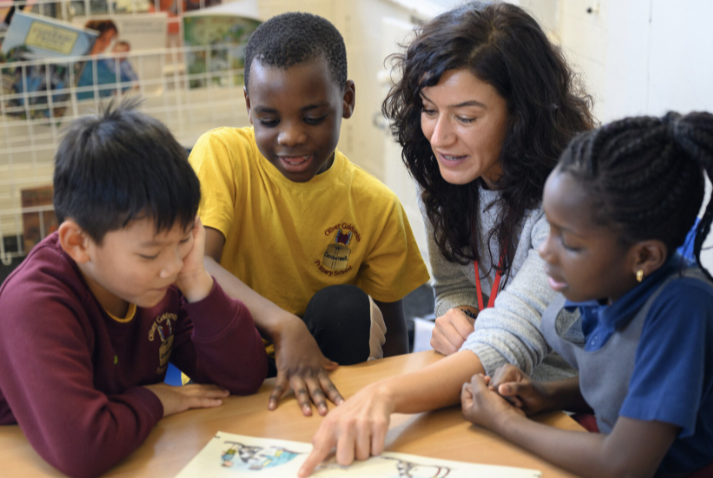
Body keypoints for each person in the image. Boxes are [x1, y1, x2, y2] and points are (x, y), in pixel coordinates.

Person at [299, 3, 594, 474]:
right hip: (488, 390)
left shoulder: (570, 198)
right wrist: (455, 314)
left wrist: (384, 394)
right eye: (429, 110)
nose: (440, 136)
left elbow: (513, 336)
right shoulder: (445, 172)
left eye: (467, 117)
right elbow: (456, 285)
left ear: (522, 114)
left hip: (566, 407)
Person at [460, 112, 713, 477]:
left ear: (644, 256)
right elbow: (626, 383)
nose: (546, 250)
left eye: (570, 243)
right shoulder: (598, 281)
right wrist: (545, 394)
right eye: (551, 228)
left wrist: (504, 423)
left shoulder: (684, 309)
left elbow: (624, 463)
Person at [0, 99, 267, 478]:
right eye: (150, 254)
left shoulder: (163, 279)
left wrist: (197, 282)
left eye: (181, 242)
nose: (172, 266)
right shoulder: (33, 303)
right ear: (78, 243)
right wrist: (155, 399)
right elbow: (82, 449)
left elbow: (243, 376)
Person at [189, 12, 429, 416]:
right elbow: (195, 263)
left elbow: (391, 339)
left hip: (324, 367)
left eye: (313, 117)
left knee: (345, 308)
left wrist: (395, 405)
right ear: (248, 107)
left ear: (347, 100)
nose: (291, 136)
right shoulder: (221, 155)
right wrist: (285, 325)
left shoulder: (376, 206)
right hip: (234, 361)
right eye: (269, 119)